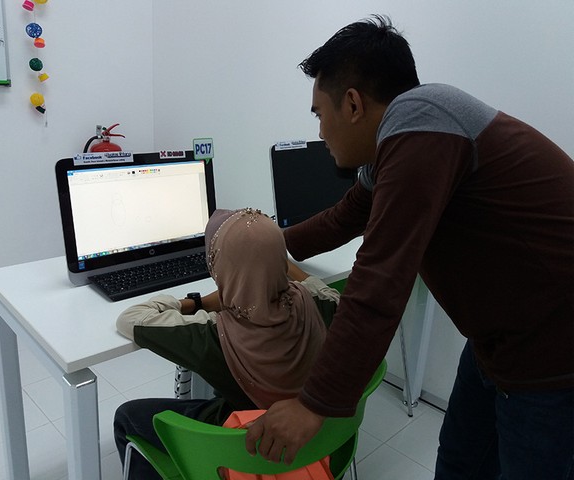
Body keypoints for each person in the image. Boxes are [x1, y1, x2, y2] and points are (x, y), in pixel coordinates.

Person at [244, 15, 574, 480]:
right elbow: (344, 217)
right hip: (498, 340)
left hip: (553, 352)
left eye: (319, 114)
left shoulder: (421, 126)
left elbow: (379, 281)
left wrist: (313, 404)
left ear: (353, 104)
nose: (319, 132)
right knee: (459, 463)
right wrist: (262, 243)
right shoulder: (405, 137)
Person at [114, 207, 341, 479]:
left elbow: (131, 319)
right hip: (317, 439)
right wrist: (274, 266)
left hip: (244, 447)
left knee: (127, 416)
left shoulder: (211, 335)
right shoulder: (322, 305)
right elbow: (319, 287)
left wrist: (197, 302)